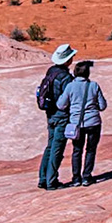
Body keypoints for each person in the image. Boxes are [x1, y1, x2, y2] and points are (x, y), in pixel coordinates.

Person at [55, 60, 108, 186]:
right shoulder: (94, 85)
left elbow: (61, 105)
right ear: (87, 73)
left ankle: (76, 178)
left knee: (77, 150)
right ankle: (86, 176)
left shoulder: (70, 86)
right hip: (93, 122)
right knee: (91, 149)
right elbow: (102, 106)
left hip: (76, 124)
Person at [34, 44, 77, 189]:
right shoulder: (65, 77)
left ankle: (43, 178)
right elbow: (68, 98)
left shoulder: (51, 71)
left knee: (50, 145)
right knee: (57, 148)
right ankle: (51, 182)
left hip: (50, 114)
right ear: (67, 60)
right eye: (71, 57)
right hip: (61, 115)